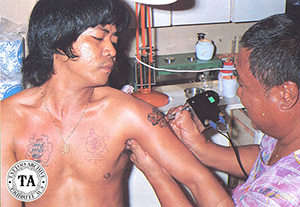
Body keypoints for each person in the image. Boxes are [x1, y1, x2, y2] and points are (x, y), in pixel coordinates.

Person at [1, 0, 233, 206]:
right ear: (59, 40)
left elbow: (199, 181)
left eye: (114, 39)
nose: (112, 50)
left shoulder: (127, 113)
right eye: (98, 38)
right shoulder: (9, 119)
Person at [127, 13, 300, 206]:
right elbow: (264, 159)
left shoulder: (288, 193)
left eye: (242, 85)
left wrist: (158, 173)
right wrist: (200, 147)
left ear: (286, 94)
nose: (239, 93)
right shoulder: (287, 133)